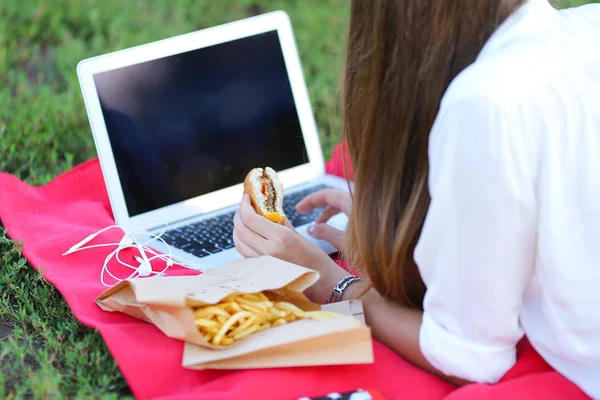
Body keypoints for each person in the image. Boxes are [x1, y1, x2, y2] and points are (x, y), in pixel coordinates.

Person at [232, 0, 600, 397]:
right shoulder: (588, 24)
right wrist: (406, 237)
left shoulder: (485, 100)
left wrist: (333, 283)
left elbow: (469, 359)